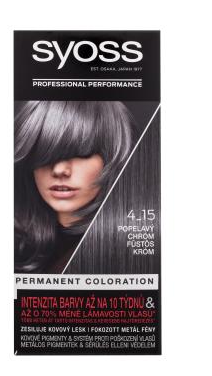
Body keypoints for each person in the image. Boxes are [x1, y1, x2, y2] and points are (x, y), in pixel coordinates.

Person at [14, 101, 133, 273]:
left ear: (113, 158)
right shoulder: (19, 246)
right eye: (45, 154)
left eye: (81, 154)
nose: (59, 170)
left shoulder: (125, 252)